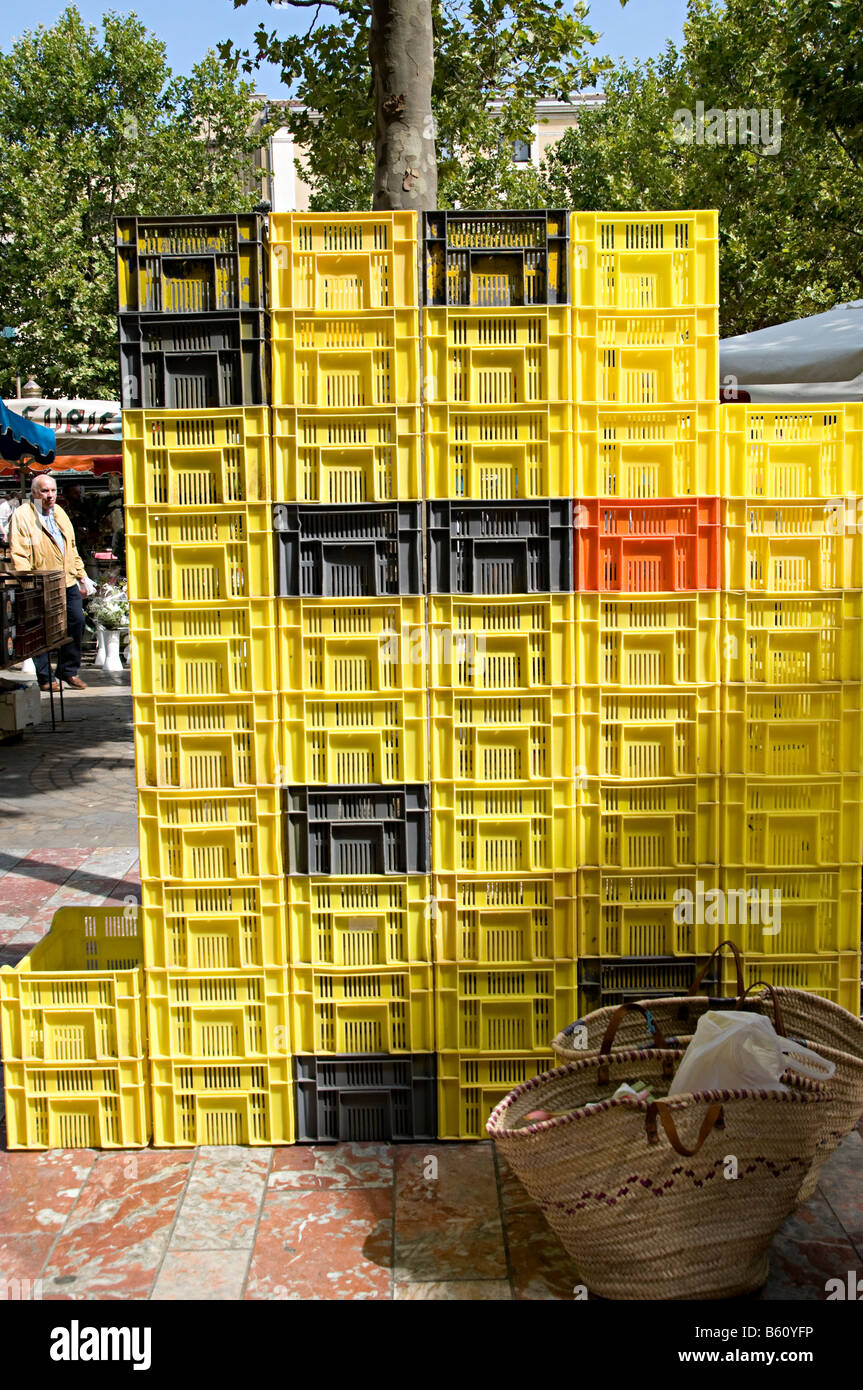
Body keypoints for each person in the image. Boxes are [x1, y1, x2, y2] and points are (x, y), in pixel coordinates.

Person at [8, 473, 96, 691]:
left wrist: (82, 576)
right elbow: (18, 552)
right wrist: (27, 582)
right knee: (41, 632)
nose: (50, 495)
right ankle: (46, 678)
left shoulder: (60, 513)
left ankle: (68, 671)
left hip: (66, 579)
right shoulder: (23, 515)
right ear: (35, 493)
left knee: (76, 622)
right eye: (45, 491)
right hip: (40, 582)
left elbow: (71, 547)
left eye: (53, 490)